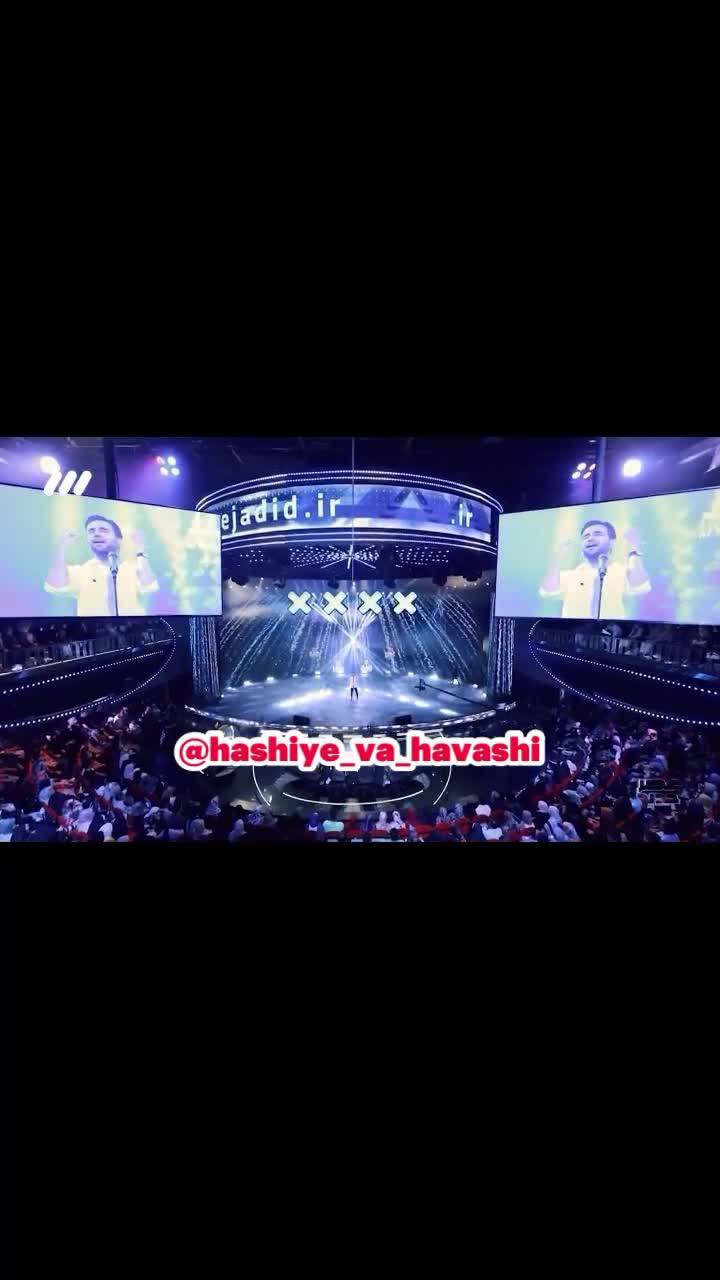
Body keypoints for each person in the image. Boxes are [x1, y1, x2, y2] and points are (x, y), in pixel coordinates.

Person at [44, 515, 159, 617]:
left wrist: (140, 550)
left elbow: (149, 586)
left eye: (103, 530)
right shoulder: (82, 571)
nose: (96, 534)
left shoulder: (132, 569)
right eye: (91, 531)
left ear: (118, 540)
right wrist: (61, 546)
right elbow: (56, 585)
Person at [539, 521, 651, 619]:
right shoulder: (569, 575)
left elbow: (640, 586)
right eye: (586, 536)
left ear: (611, 541)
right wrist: (557, 556)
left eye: (598, 534)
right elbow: (548, 591)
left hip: (610, 633)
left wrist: (633, 547)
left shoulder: (622, 571)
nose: (590, 539)